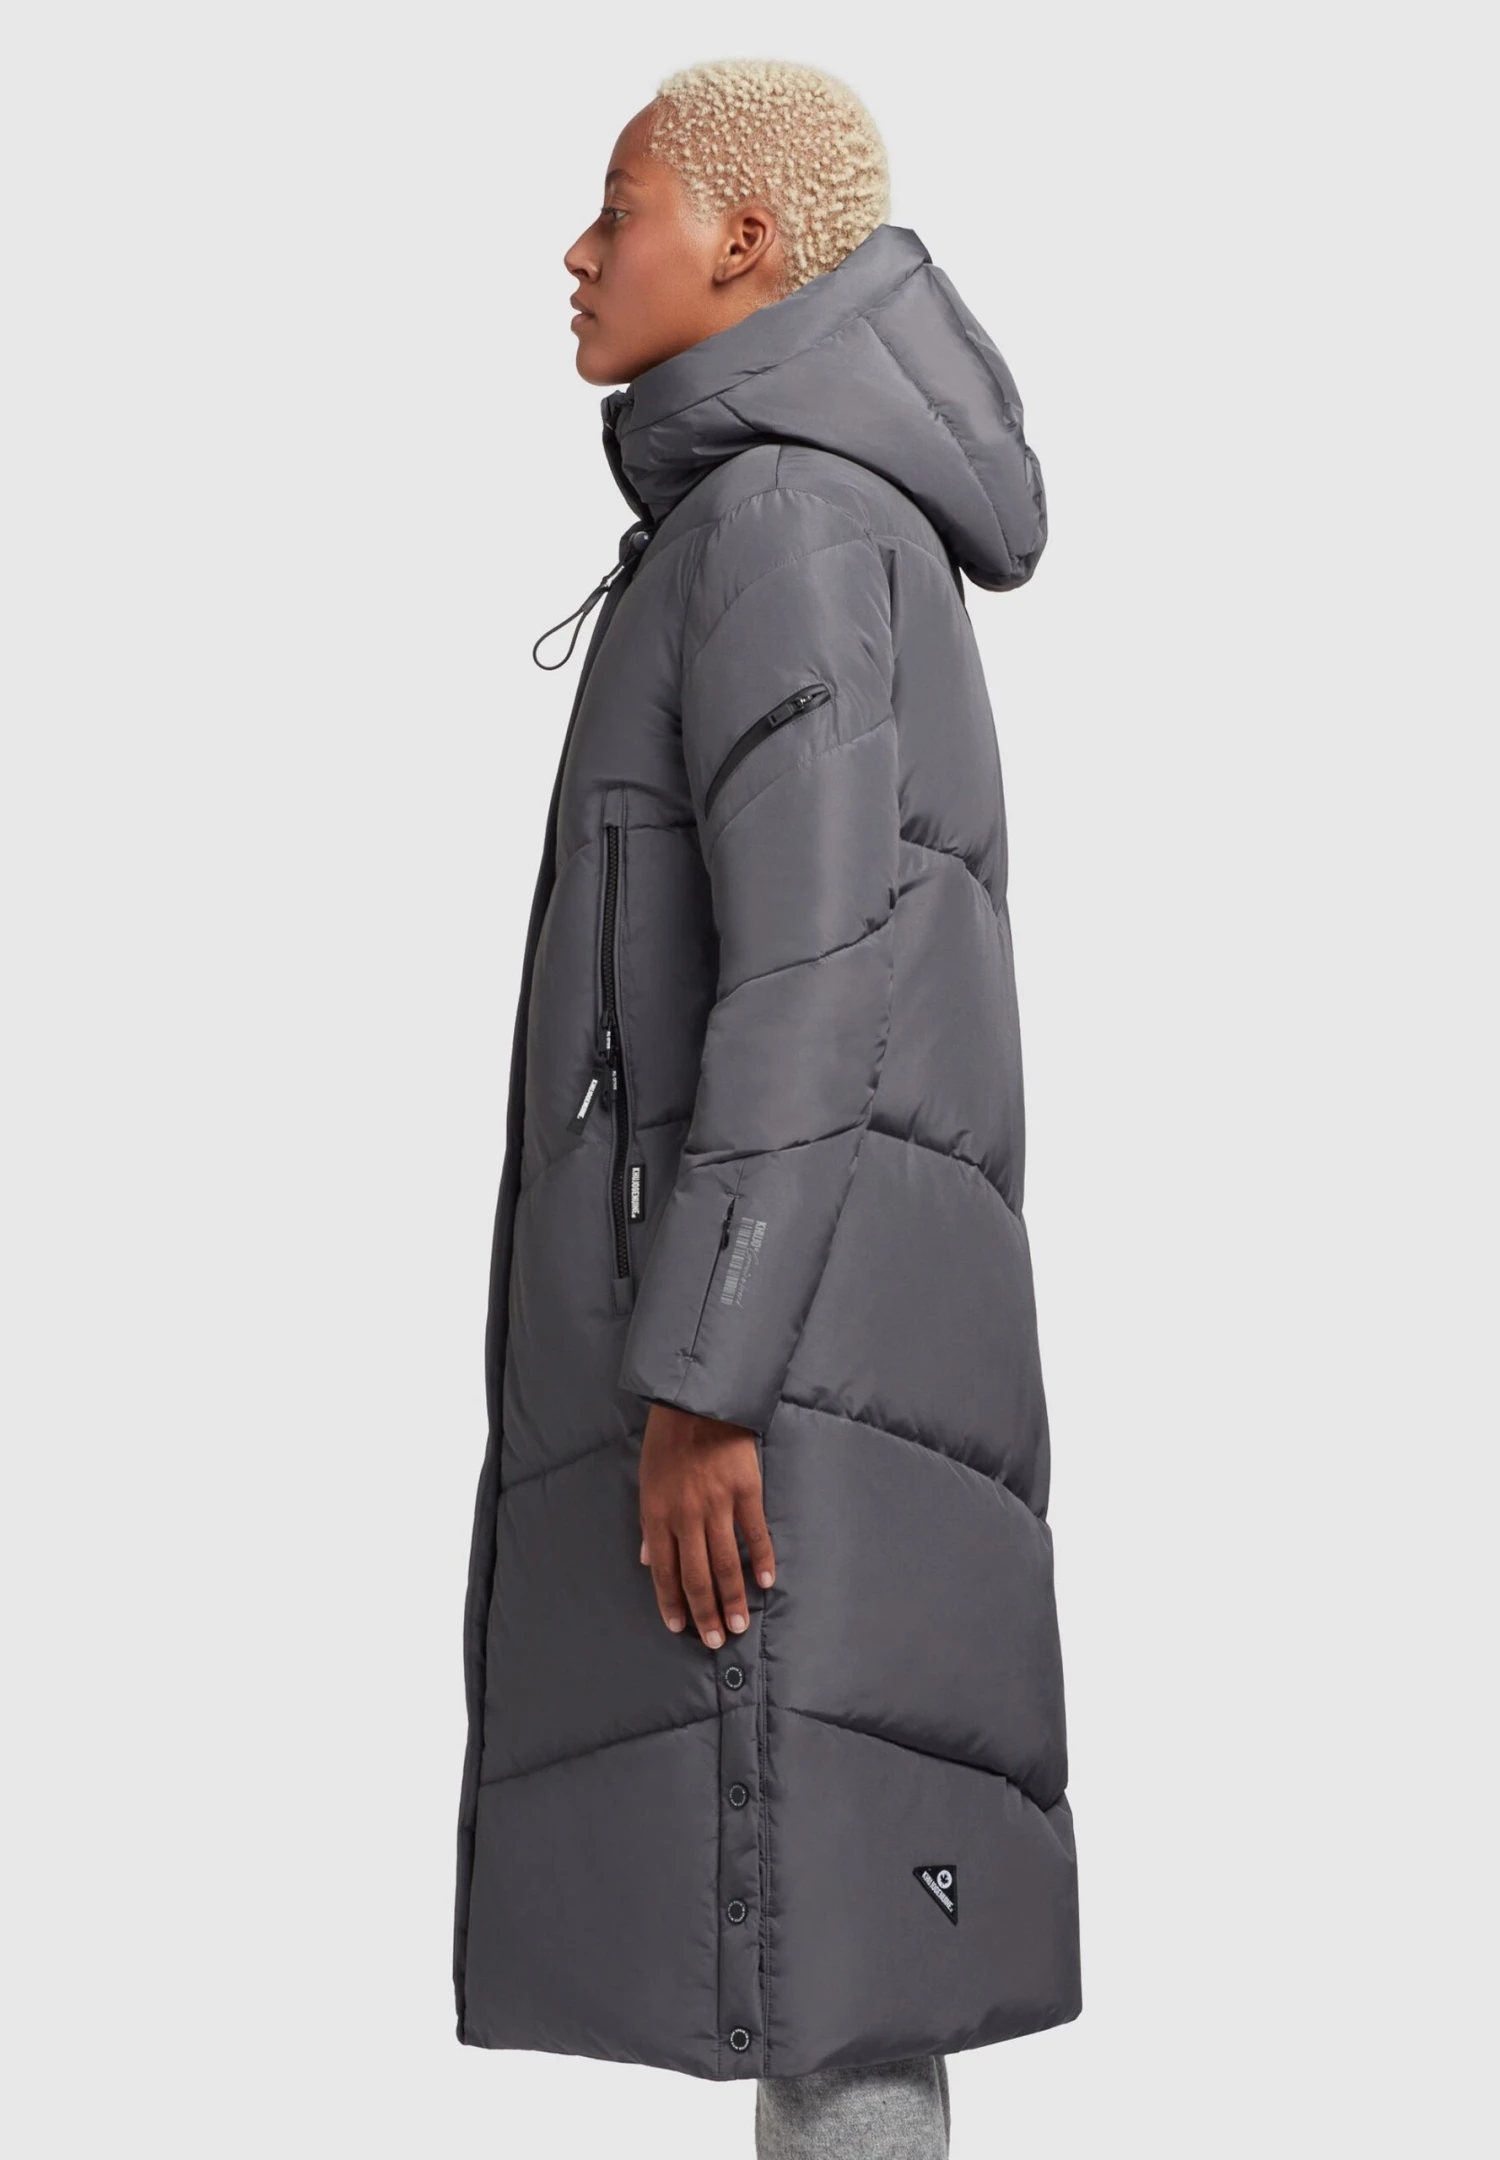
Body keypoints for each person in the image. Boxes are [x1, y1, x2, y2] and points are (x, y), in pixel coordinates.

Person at [454, 58, 1080, 2158]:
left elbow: (818, 974)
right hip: (830, 1336)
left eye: (618, 208)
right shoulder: (782, 518)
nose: (577, 251)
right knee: (829, 1936)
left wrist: (703, 1377)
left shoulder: (784, 526)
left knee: (825, 1949)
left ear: (742, 241)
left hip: (782, 1368)